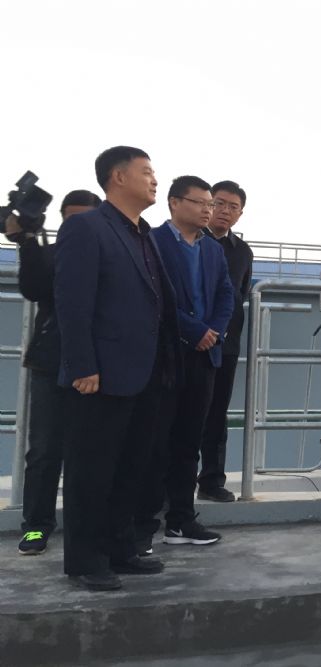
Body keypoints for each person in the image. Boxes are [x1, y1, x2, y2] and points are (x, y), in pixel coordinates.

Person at [55, 146, 181, 591]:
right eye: (146, 171)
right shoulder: (87, 227)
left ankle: (119, 548)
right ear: (118, 177)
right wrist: (82, 365)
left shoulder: (143, 233)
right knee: (92, 470)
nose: (154, 179)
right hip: (100, 375)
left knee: (131, 467)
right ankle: (85, 560)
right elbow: (72, 302)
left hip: (144, 374)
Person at [135, 176, 234, 551]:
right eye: (201, 203)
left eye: (211, 204)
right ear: (174, 203)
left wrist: (214, 331)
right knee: (154, 443)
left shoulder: (212, 249)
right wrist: (194, 330)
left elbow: (226, 294)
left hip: (204, 356)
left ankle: (180, 521)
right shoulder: (152, 242)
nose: (209, 210)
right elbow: (153, 296)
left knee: (189, 442)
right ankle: (141, 528)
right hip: (165, 355)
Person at [6, 190, 101, 555]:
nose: (76, 225)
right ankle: (36, 526)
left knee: (92, 450)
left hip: (100, 365)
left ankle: (88, 525)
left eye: (84, 218)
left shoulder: (109, 254)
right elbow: (33, 288)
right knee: (44, 450)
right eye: (69, 218)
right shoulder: (50, 254)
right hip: (51, 361)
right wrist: (28, 242)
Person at [198, 180, 254, 503]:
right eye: (220, 203)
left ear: (240, 214)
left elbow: (240, 294)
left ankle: (211, 480)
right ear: (208, 204)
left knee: (218, 414)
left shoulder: (242, 251)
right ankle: (168, 485)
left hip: (226, 345)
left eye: (234, 207)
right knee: (182, 414)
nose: (225, 211)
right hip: (189, 341)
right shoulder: (190, 239)